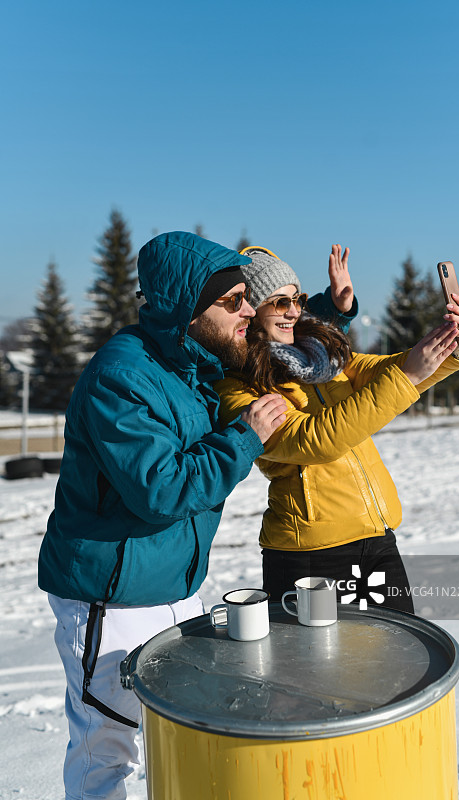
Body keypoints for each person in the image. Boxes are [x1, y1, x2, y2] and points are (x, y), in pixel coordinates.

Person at [38, 231, 287, 800]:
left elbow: (282, 338)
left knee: (178, 733)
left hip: (173, 584)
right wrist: (243, 439)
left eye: (247, 297)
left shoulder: (192, 362)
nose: (248, 310)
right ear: (186, 309)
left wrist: (334, 312)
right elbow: (161, 488)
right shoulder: (121, 377)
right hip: (112, 594)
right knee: (108, 748)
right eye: (233, 302)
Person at [216, 245, 459, 614]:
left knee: (399, 661)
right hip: (309, 556)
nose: (293, 311)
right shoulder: (238, 384)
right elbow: (312, 439)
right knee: (315, 670)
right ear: (250, 310)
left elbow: (393, 369)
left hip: (376, 538)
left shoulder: (321, 354)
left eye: (297, 299)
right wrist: (409, 375)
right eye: (279, 303)